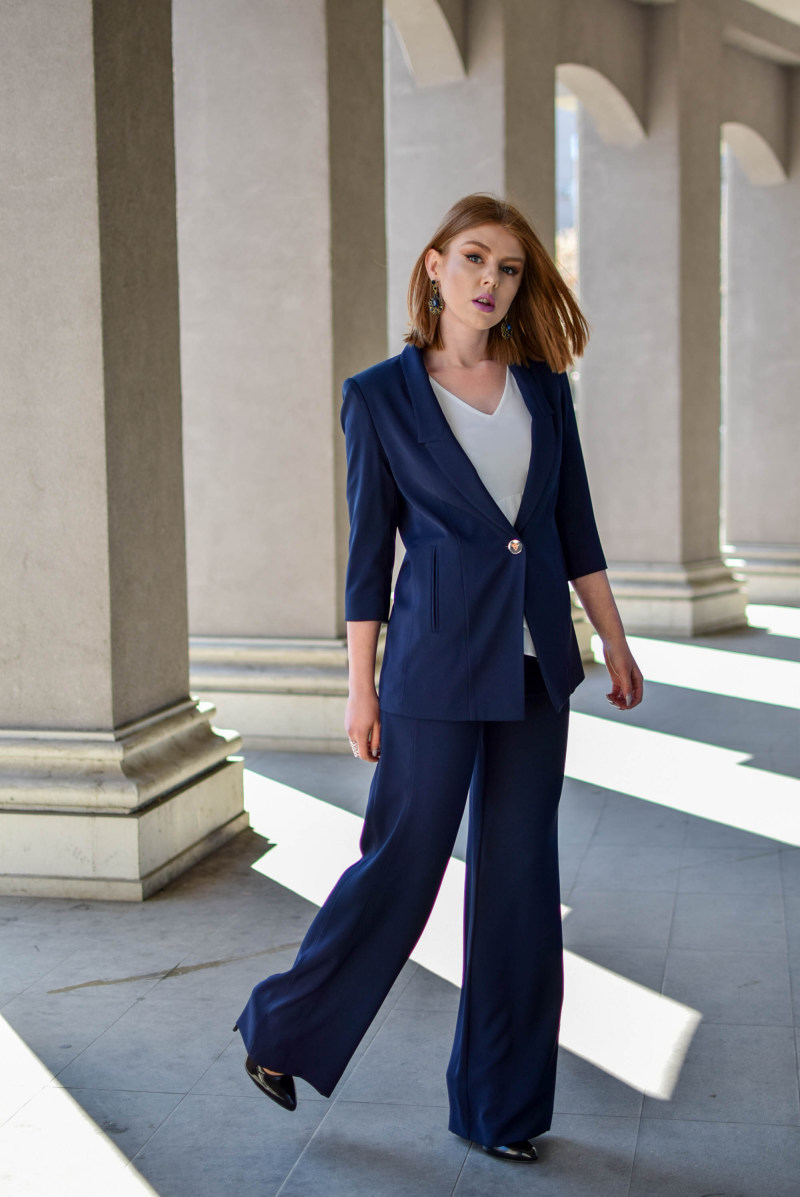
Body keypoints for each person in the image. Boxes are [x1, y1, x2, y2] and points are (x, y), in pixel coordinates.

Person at [234, 192, 644, 1163]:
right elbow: (366, 555)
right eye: (472, 260)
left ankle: (498, 1112)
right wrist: (359, 685)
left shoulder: (545, 390)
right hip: (429, 665)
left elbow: (569, 528)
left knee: (517, 885)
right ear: (432, 267)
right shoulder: (379, 395)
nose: (489, 283)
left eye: (506, 268)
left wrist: (613, 640)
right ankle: (282, 1029)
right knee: (402, 862)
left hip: (536, 664)